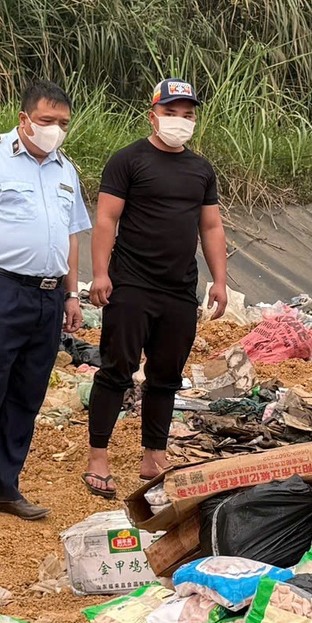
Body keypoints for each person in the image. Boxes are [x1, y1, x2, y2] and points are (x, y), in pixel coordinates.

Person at [0, 80, 88, 526]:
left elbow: (71, 236)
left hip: (48, 298)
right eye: (47, 121)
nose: (55, 130)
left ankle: (4, 486)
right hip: (0, 290)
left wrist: (71, 293)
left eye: (62, 123)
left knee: (27, 395)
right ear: (24, 119)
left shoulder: (67, 170)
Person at [84, 79, 228, 497]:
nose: (179, 122)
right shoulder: (128, 160)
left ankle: (154, 456)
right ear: (153, 115)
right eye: (171, 113)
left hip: (179, 289)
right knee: (117, 370)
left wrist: (220, 280)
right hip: (131, 284)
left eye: (187, 116)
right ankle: (98, 456)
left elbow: (211, 225)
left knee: (166, 375)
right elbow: (107, 220)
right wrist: (100, 273)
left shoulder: (200, 169)